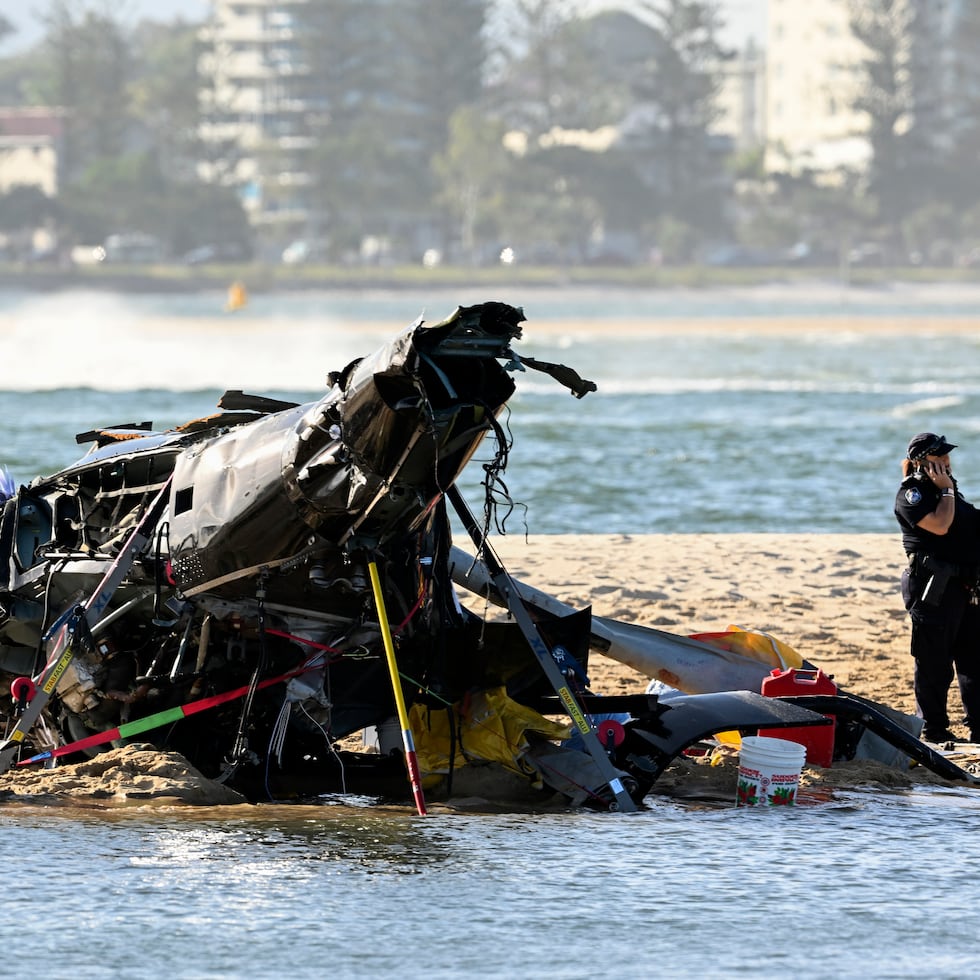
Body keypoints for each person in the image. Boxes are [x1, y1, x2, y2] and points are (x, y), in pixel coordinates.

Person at [894, 432, 980, 744]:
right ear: (920, 462)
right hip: (933, 587)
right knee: (934, 663)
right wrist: (945, 491)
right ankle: (933, 729)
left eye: (946, 457)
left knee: (974, 661)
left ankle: (978, 730)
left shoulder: (952, 493)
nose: (945, 463)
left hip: (966, 587)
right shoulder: (912, 494)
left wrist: (949, 492)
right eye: (938, 458)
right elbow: (941, 525)